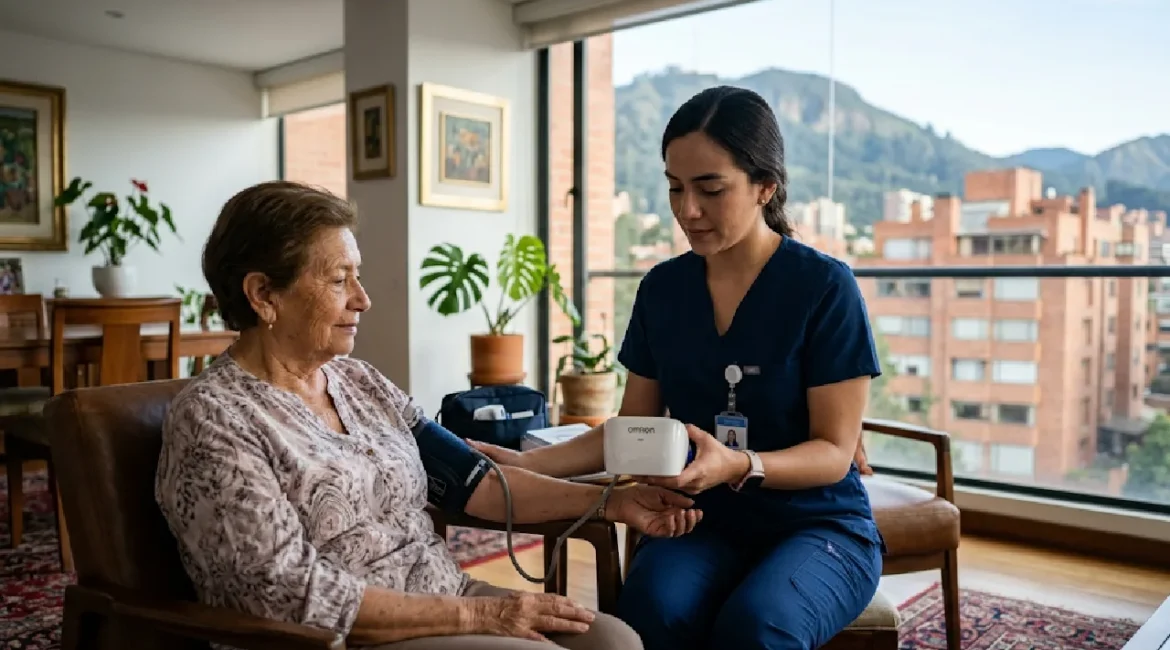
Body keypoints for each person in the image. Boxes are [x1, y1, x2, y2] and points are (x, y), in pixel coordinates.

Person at [154, 181, 705, 650]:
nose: (364, 299)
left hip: (442, 596)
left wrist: (613, 502)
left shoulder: (360, 383)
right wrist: (483, 616)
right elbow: (285, 591)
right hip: (346, 637)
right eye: (338, 279)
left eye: (358, 275)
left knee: (616, 642)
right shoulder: (214, 420)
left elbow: (476, 484)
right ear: (262, 294)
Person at [468, 86, 884, 650]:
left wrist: (738, 463)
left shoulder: (824, 288)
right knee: (650, 615)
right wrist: (526, 463)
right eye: (675, 188)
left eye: (711, 189)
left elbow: (835, 454)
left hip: (818, 524)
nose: (688, 209)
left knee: (757, 628)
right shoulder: (662, 289)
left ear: (766, 186)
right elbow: (632, 433)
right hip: (698, 519)